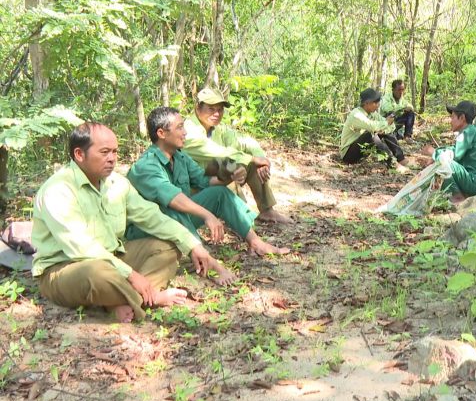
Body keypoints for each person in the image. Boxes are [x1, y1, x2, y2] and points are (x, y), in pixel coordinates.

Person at [32, 123, 223, 323]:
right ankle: (150, 297)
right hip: (66, 268)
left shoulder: (117, 183)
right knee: (95, 273)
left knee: (167, 247)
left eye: (115, 151)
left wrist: (192, 244)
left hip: (114, 256)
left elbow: (152, 217)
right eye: (104, 152)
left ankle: (120, 300)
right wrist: (131, 275)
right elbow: (82, 249)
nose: (112, 158)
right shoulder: (58, 190)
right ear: (79, 154)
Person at [127, 107, 288, 263]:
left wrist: (230, 173)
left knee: (219, 192)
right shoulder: (146, 166)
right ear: (161, 133)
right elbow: (175, 200)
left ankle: (255, 242)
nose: (185, 133)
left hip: (175, 220)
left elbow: (205, 180)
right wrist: (207, 215)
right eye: (180, 127)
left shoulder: (179, 156)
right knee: (175, 209)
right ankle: (205, 260)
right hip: (145, 228)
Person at [182, 87, 292, 224]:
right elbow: (213, 151)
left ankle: (267, 210)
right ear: (198, 108)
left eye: (220, 109)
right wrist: (249, 158)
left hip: (212, 177)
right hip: (194, 187)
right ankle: (236, 214)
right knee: (231, 163)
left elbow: (246, 141)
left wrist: (260, 159)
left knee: (249, 163)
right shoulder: (188, 130)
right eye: (211, 109)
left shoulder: (218, 128)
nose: (217, 113)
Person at [422, 101, 476, 200]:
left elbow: (455, 155)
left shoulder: (468, 132)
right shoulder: (472, 132)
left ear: (462, 118)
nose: (450, 121)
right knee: (441, 162)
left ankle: (457, 199)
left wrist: (434, 153)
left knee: (443, 164)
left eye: (452, 117)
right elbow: (454, 150)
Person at [340, 88, 410, 171]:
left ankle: (401, 159)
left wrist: (385, 128)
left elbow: (389, 126)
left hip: (361, 149)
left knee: (382, 130)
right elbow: (372, 126)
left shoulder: (373, 114)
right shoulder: (356, 114)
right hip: (349, 154)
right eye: (375, 102)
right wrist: (385, 124)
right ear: (366, 103)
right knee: (371, 134)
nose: (378, 105)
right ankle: (393, 163)